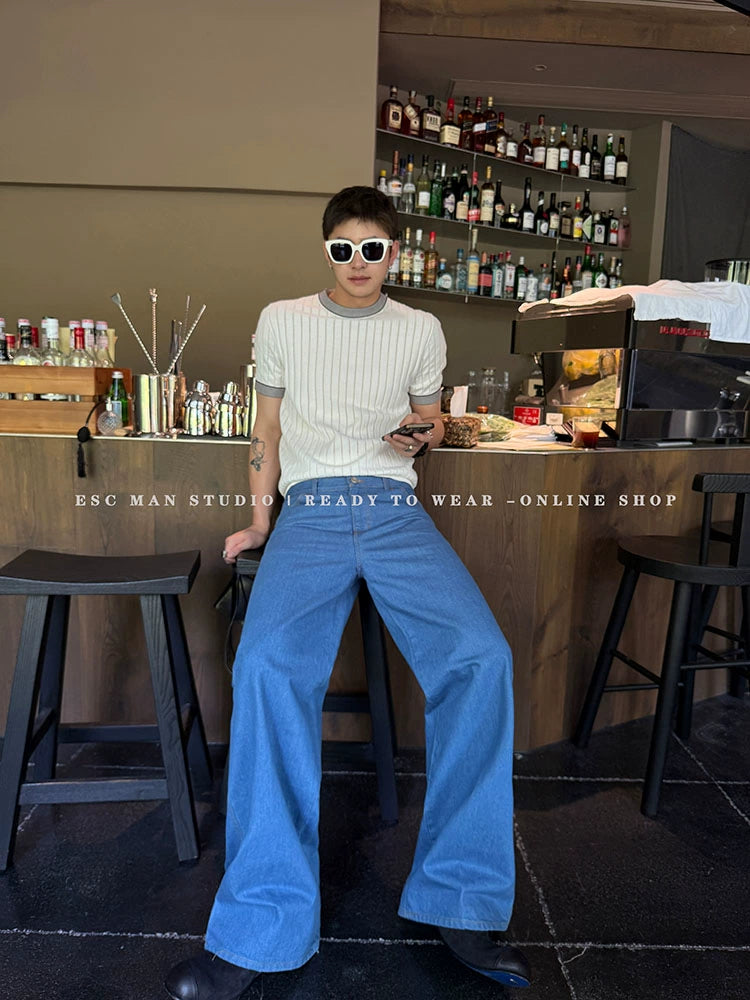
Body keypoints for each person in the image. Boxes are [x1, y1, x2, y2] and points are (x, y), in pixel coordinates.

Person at [165, 186, 530, 1000]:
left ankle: (462, 897)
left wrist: (421, 433)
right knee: (265, 667)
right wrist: (259, 523)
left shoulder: (420, 329)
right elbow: (267, 431)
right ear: (326, 249)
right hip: (313, 512)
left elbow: (432, 422)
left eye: (373, 249)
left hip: (396, 508)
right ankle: (261, 924)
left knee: (481, 658)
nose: (358, 263)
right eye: (343, 249)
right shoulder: (284, 320)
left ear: (393, 253)